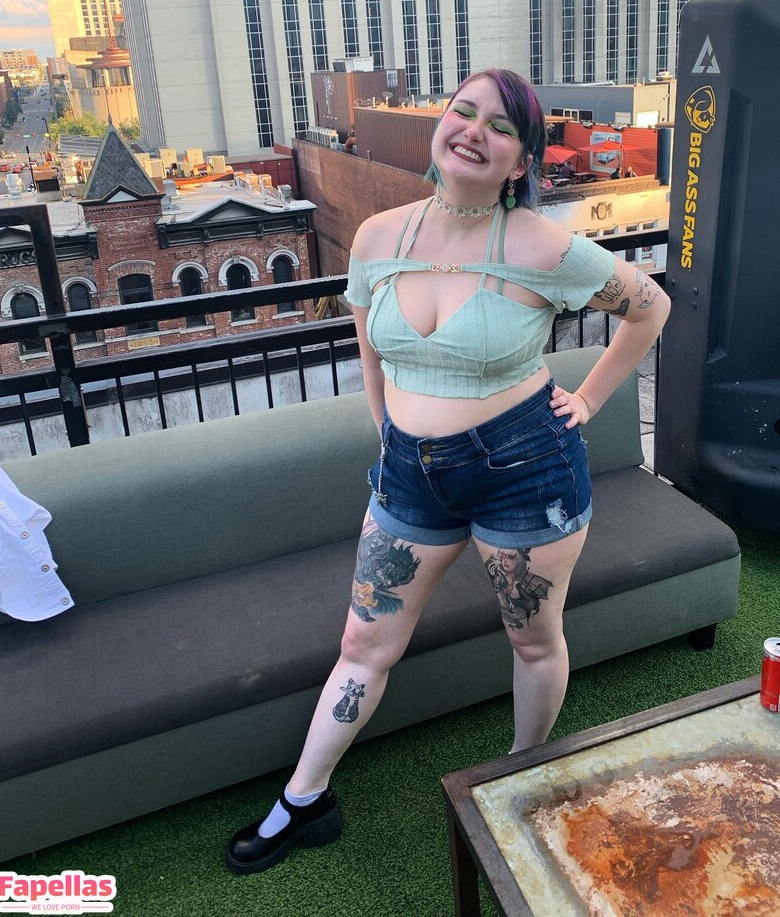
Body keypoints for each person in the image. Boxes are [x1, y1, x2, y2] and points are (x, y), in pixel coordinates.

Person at [227, 68, 670, 874]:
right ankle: (303, 799)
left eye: (500, 126)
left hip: (525, 469)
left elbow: (650, 307)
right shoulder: (378, 236)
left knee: (531, 639)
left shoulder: (544, 246)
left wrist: (590, 398)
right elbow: (369, 349)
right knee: (363, 640)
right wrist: (388, 434)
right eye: (463, 112)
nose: (473, 130)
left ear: (521, 160)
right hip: (409, 473)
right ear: (441, 126)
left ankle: (520, 774)